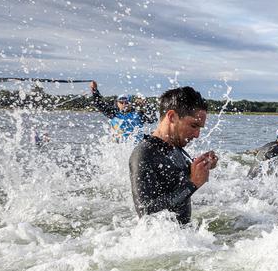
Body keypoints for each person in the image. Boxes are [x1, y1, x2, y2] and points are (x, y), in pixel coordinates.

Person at [129, 86, 217, 225]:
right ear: (172, 117)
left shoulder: (176, 148)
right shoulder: (144, 154)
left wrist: (204, 165)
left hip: (184, 239)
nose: (197, 135)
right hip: (163, 243)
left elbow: (180, 178)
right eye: (194, 126)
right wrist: (193, 184)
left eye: (200, 128)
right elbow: (145, 211)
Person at [90, 80, 156, 141]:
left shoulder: (138, 113)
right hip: (119, 144)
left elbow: (153, 120)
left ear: (130, 103)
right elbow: (98, 103)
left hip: (137, 144)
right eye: (121, 102)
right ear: (117, 103)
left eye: (126, 102)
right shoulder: (113, 113)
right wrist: (94, 89)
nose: (124, 104)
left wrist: (147, 105)